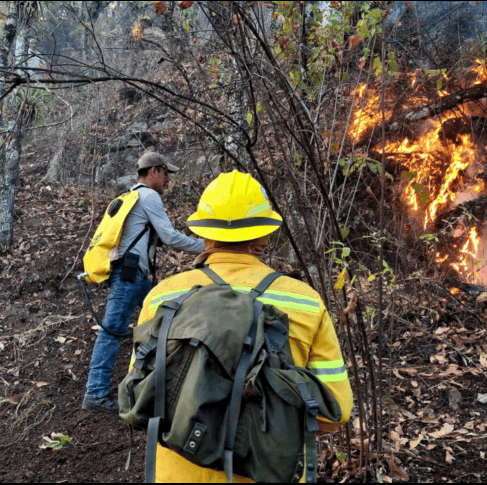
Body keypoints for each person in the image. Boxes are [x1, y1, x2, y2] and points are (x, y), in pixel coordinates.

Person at [131, 170, 353, 482]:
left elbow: (139, 396)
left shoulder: (163, 297)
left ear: (204, 234)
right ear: (264, 234)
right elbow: (336, 412)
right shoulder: (305, 302)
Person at [83, 152, 205, 413]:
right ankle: (95, 393)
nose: (167, 180)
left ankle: (163, 382)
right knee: (112, 331)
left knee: (166, 317)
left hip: (134, 276)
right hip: (130, 277)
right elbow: (170, 237)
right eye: (165, 174)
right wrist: (207, 247)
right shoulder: (149, 196)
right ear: (153, 172)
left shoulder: (130, 195)